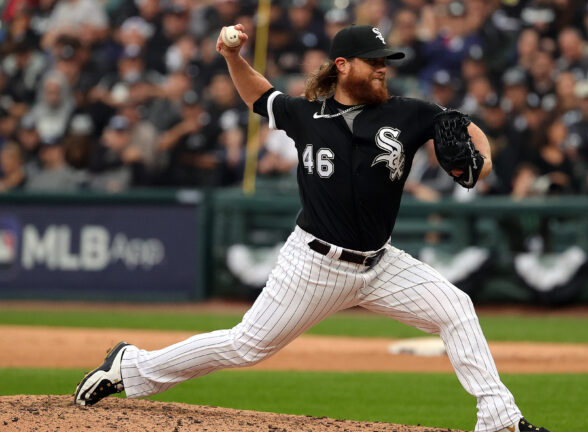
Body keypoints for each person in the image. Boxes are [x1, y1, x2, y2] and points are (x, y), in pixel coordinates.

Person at [73, 24, 550, 432]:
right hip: (314, 265)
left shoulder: (408, 113)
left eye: (387, 60)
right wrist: (232, 55)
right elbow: (259, 95)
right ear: (343, 65)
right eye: (373, 60)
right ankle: (131, 366)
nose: (383, 68)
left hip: (381, 264)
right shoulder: (306, 114)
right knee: (245, 346)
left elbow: (463, 128)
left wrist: (481, 164)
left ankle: (500, 420)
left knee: (456, 308)